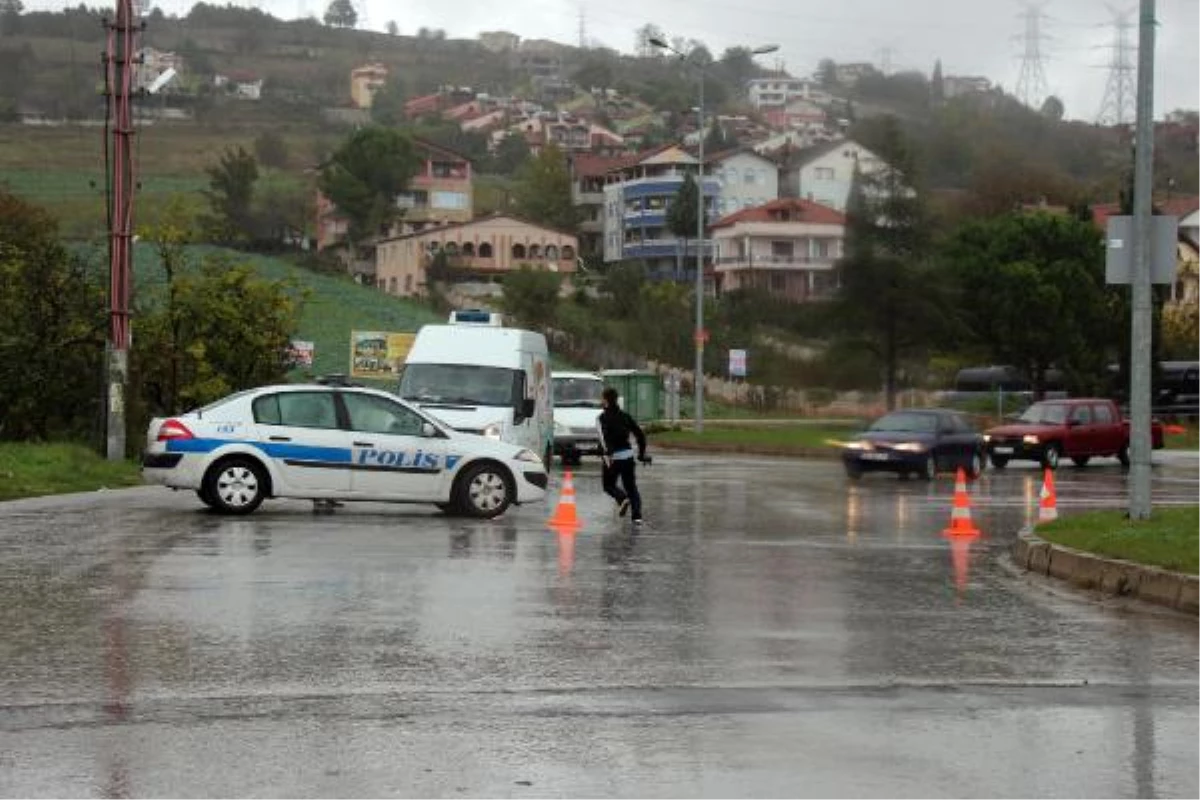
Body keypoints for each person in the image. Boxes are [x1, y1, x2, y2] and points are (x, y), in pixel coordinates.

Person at [596, 387, 651, 524]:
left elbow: (604, 439)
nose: (600, 400)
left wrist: (607, 453)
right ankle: (637, 517)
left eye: (602, 398)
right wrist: (641, 454)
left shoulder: (602, 418)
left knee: (608, 486)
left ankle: (621, 498)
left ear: (606, 400)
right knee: (631, 487)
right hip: (628, 456)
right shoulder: (625, 416)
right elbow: (640, 435)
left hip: (612, 458)